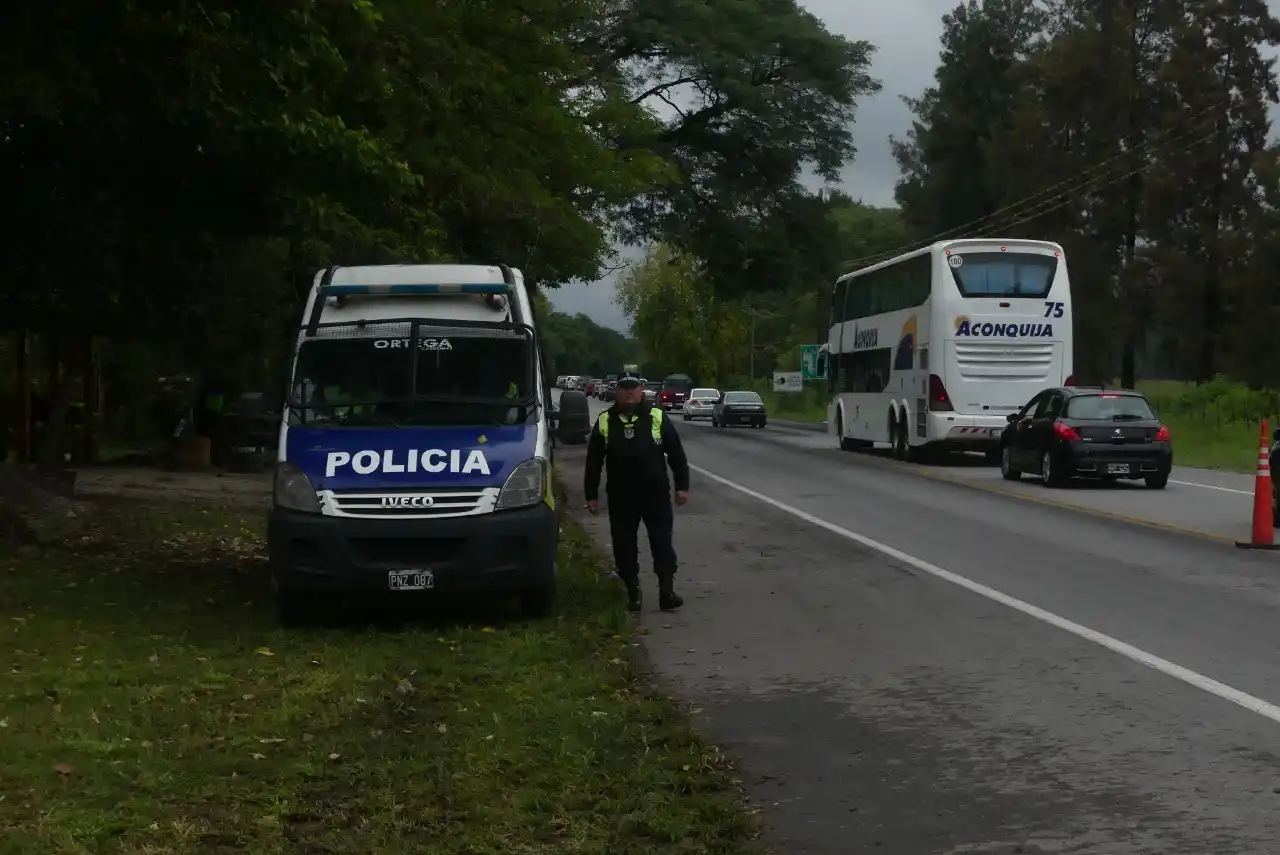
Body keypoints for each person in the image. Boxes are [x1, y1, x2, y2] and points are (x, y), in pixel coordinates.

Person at [583, 371, 690, 612]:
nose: (629, 391)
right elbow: (593, 462)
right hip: (622, 498)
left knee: (662, 544)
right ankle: (633, 593)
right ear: (616, 391)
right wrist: (591, 494)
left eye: (634, 387)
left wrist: (682, 487)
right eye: (624, 387)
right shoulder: (605, 420)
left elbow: (676, 454)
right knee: (623, 547)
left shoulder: (657, 417)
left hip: (655, 496)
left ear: (642, 391)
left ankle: (666, 592)